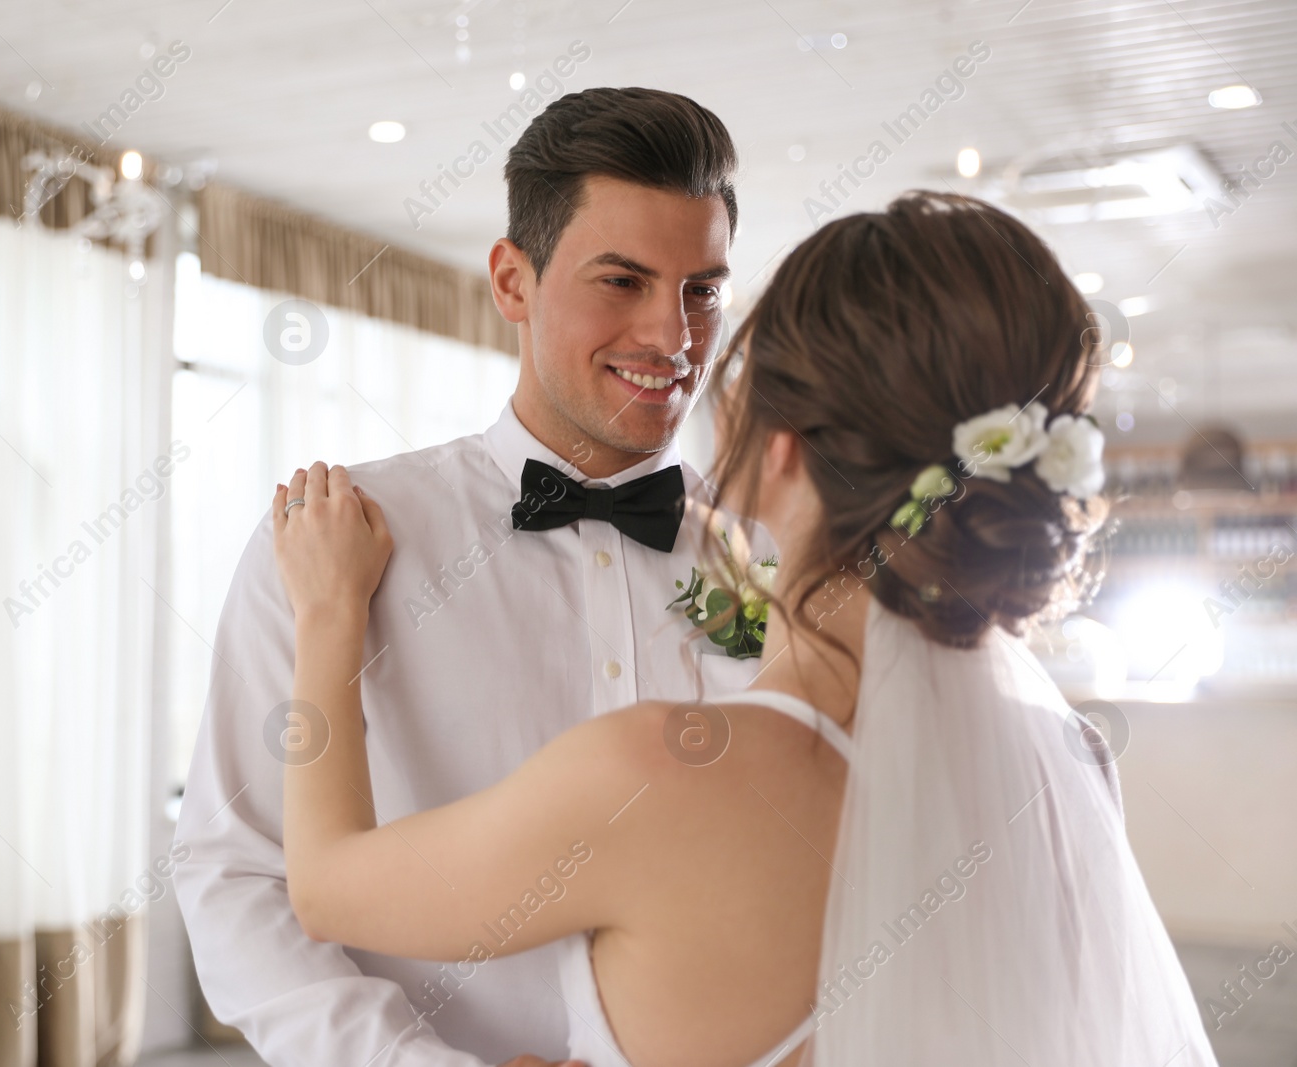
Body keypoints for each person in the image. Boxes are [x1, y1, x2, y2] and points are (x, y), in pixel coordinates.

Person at [270, 191, 1220, 1065]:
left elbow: (323, 883)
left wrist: (325, 615)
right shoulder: (1068, 766)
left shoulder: (651, 778)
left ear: (786, 453)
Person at [173, 87, 765, 1067]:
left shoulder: (767, 565)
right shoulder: (337, 536)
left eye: (701, 288)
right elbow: (237, 871)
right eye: (622, 281)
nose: (673, 336)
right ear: (512, 280)